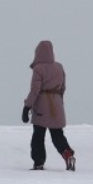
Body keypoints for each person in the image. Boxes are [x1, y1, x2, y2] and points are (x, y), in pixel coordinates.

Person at [21, 39, 76, 171]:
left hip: (41, 106)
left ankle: (38, 162)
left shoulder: (38, 68)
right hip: (57, 104)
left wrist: (27, 107)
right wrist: (59, 103)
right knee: (57, 134)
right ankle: (68, 154)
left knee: (38, 136)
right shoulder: (59, 67)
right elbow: (63, 88)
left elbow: (35, 90)